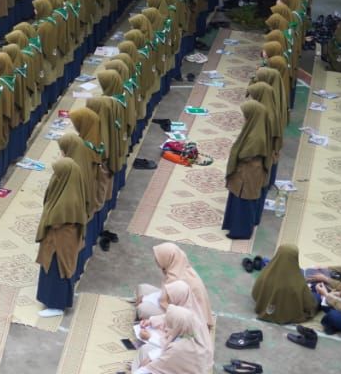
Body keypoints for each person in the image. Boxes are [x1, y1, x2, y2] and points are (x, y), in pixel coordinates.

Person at [34, 159, 88, 316]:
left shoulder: (68, 199)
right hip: (58, 240)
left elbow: (56, 219)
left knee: (59, 269)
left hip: (62, 242)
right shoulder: (68, 189)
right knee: (51, 270)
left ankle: (56, 305)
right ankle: (50, 300)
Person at [135, 243, 213, 333]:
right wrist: (146, 298)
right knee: (142, 288)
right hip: (176, 303)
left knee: (142, 308)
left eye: (159, 257)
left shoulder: (175, 278)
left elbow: (169, 306)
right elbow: (167, 296)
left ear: (168, 258)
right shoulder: (180, 266)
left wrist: (145, 299)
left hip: (188, 318)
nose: (156, 260)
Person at [222, 100, 270, 240]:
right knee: (239, 199)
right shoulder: (256, 127)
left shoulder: (256, 136)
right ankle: (235, 226)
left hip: (249, 172)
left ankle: (241, 231)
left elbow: (245, 154)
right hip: (247, 171)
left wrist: (236, 152)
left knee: (244, 201)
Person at [132, 305, 213, 374]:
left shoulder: (177, 349)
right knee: (147, 350)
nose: (165, 328)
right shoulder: (192, 330)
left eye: (170, 326)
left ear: (178, 326)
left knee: (146, 359)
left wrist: (146, 364)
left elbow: (147, 368)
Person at [252, 244, 319, 324]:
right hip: (289, 312)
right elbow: (310, 306)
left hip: (265, 306)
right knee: (317, 297)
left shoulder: (265, 274)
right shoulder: (299, 283)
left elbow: (255, 294)